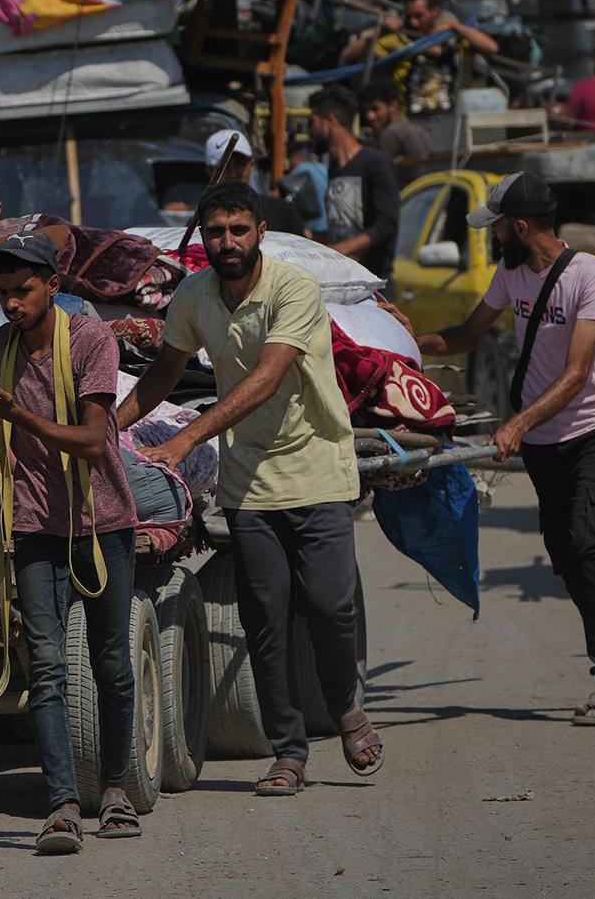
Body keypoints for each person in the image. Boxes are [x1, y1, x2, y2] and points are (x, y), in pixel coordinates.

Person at [117, 181, 382, 795]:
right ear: (203, 238)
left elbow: (267, 376)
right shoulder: (195, 293)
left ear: (260, 231)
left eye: (239, 229)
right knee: (264, 616)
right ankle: (289, 752)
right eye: (215, 231)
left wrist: (185, 441)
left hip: (315, 464)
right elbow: (163, 373)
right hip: (249, 479)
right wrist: (107, 426)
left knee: (329, 604)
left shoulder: (292, 288)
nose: (227, 242)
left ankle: (344, 706)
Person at [385, 172, 595, 725]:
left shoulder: (591, 275)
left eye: (497, 227)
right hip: (545, 437)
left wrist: (515, 424)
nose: (494, 236)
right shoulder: (510, 274)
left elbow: (576, 374)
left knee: (587, 540)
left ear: (519, 226)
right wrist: (407, 339)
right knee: (565, 553)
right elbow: (469, 334)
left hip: (594, 426)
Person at [0, 231, 142, 853]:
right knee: (45, 667)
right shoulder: (0, 346)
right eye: (3, 295)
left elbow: (94, 439)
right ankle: (62, 806)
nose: (12, 304)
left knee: (111, 664)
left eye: (23, 292)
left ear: (53, 286)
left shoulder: (90, 339)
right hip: (32, 526)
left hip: (102, 523)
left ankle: (117, 790)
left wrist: (18, 416)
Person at [343, 0, 499, 118]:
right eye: (409, 16)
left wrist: (457, 27)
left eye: (418, 16)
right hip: (410, 120)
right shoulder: (399, 40)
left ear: (435, 11)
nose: (413, 22)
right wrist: (381, 30)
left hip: (452, 119)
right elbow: (348, 55)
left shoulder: (453, 40)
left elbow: (491, 48)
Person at [309, 85, 401, 288]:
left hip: (374, 285)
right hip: (342, 282)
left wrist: (338, 250)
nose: (310, 131)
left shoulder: (375, 162)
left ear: (330, 121)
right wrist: (312, 239)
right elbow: (345, 228)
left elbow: (386, 225)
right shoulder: (334, 169)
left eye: (313, 122)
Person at [203, 129, 305, 237]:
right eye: (225, 165)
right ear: (210, 170)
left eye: (240, 164)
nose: (233, 173)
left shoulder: (283, 211)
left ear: (251, 165)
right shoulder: (199, 222)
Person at [358, 78, 430, 161]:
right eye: (365, 110)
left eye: (375, 109)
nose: (369, 116)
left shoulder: (390, 133)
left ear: (393, 105)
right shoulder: (415, 129)